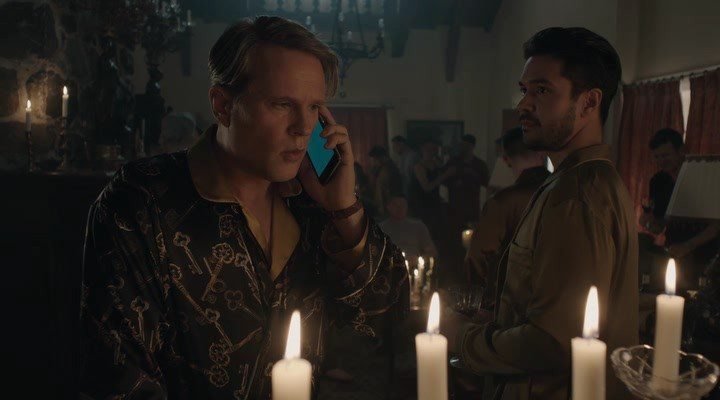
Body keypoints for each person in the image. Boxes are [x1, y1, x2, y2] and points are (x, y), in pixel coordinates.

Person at [79, 16, 408, 399]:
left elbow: (387, 318)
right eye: (282, 104)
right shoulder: (141, 200)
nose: (304, 127)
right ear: (223, 106)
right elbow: (119, 379)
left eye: (315, 107)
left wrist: (345, 208)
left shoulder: (313, 203)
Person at [444, 27, 639, 399]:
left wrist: (464, 338)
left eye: (542, 91)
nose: (523, 105)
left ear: (589, 102)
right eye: (525, 90)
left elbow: (554, 341)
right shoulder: (572, 182)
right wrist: (502, 321)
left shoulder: (577, 195)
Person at [464, 127, 549, 310]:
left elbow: (477, 258)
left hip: (512, 305)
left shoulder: (502, 202)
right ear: (543, 153)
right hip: (557, 300)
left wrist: (481, 303)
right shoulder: (564, 192)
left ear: (505, 159)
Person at [640, 128, 720, 290]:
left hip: (706, 253)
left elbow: (716, 225)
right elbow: (660, 227)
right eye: (657, 157)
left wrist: (688, 246)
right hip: (675, 251)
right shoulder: (658, 181)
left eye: (665, 155)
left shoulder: (704, 176)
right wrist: (648, 223)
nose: (661, 161)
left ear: (681, 151)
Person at [444, 134, 490, 225]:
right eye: (461, 145)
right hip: (455, 206)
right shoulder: (453, 162)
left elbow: (487, 183)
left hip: (472, 207)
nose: (463, 148)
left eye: (466, 145)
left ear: (472, 146)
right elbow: (444, 180)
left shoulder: (480, 165)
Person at [379, 194, 438, 260]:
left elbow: (431, 251)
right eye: (395, 205)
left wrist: (418, 259)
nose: (400, 208)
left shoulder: (418, 226)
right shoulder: (380, 229)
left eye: (403, 205)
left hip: (414, 263)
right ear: (388, 207)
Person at [368, 145, 403, 217]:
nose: (374, 162)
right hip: (387, 206)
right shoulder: (383, 168)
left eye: (375, 160)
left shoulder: (387, 169)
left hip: (388, 207)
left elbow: (383, 190)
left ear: (381, 157)